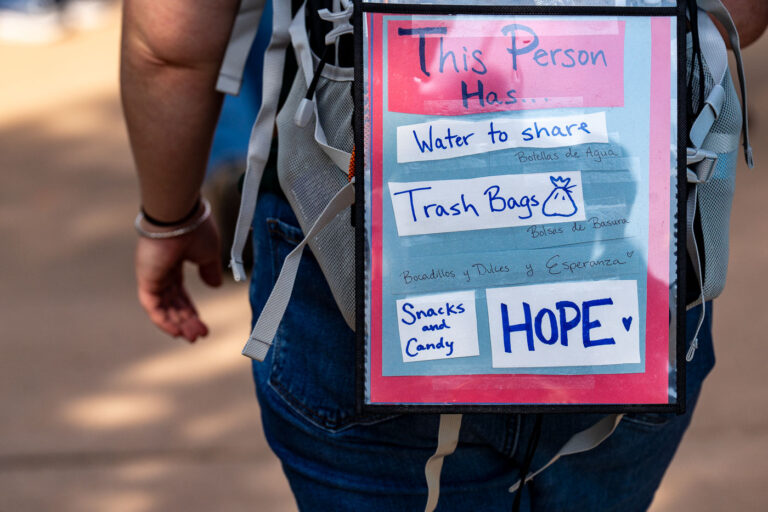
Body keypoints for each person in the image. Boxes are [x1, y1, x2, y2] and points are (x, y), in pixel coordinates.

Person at [121, 1, 768, 510]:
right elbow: (735, 14)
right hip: (613, 274)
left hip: (353, 270)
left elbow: (172, 45)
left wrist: (168, 217)